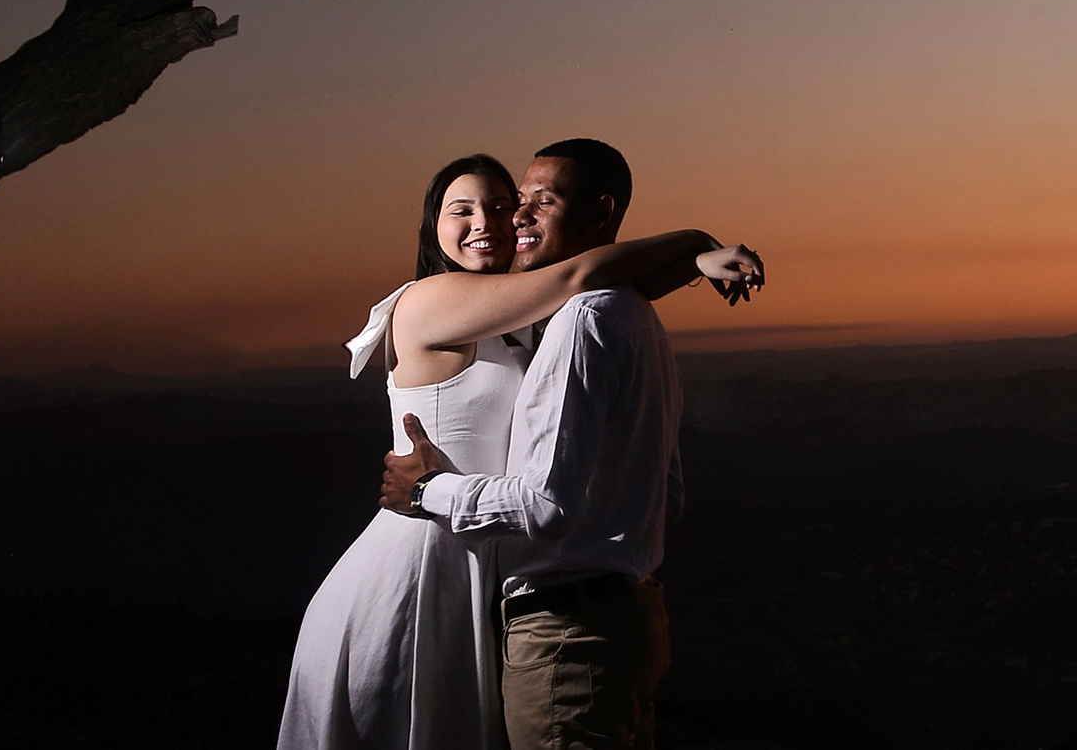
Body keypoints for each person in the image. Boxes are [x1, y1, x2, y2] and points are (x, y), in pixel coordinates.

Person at [280, 152, 763, 750]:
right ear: (434, 227)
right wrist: (695, 241)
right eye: (462, 210)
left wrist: (689, 265)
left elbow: (603, 291)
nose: (485, 221)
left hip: (490, 565)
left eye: (500, 207)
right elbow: (576, 280)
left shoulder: (521, 315)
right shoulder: (427, 299)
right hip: (421, 565)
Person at [381, 139, 718, 750]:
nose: (511, 218)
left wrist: (428, 488)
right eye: (466, 209)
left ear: (599, 213)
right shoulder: (629, 312)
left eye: (538, 200)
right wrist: (696, 252)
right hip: (620, 613)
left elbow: (544, 504)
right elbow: (666, 495)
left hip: (567, 622)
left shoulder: (581, 319)